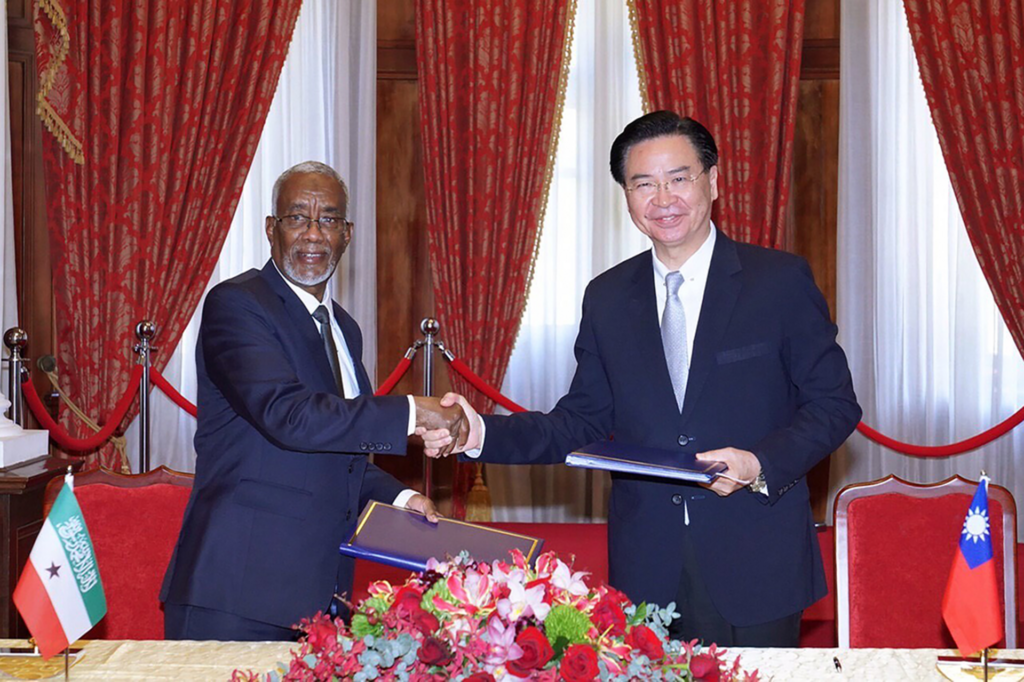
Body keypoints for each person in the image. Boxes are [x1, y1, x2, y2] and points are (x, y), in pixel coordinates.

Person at [423, 112, 861, 647]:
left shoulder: (779, 281)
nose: (664, 198)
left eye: (679, 178)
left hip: (753, 557)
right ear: (627, 198)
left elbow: (834, 405)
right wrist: (480, 433)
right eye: (643, 184)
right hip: (646, 570)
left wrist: (758, 464)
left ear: (713, 182)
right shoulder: (607, 297)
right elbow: (580, 422)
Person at [161, 161, 465, 641]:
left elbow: (338, 454)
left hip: (319, 598)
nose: (312, 235)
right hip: (238, 593)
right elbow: (290, 416)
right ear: (271, 229)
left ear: (346, 235)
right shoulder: (237, 305)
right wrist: (412, 411)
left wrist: (401, 498)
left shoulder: (345, 328)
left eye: (328, 220)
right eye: (297, 217)